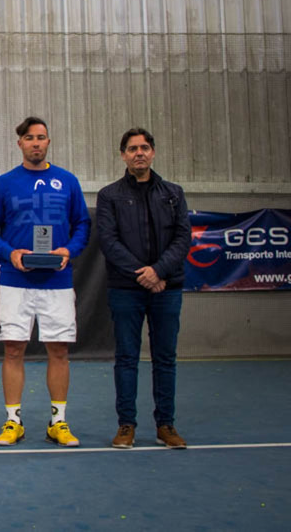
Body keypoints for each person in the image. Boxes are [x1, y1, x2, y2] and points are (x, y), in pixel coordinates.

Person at [0, 116, 90, 447]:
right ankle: (13, 422)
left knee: (59, 350)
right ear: (20, 144)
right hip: (15, 281)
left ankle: (58, 422)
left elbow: (82, 223)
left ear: (48, 142)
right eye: (29, 138)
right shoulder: (4, 183)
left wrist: (69, 249)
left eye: (41, 137)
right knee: (13, 349)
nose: (36, 143)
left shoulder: (67, 181)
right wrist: (10, 253)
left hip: (57, 282)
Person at [96, 127, 191, 449]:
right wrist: (143, 273)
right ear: (123, 155)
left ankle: (166, 425)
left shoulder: (174, 193)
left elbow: (183, 238)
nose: (139, 153)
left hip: (168, 288)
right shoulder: (109, 196)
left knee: (165, 359)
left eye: (145, 147)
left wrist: (159, 271)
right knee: (126, 358)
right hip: (126, 289)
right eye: (133, 148)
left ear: (153, 152)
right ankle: (126, 426)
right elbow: (109, 241)